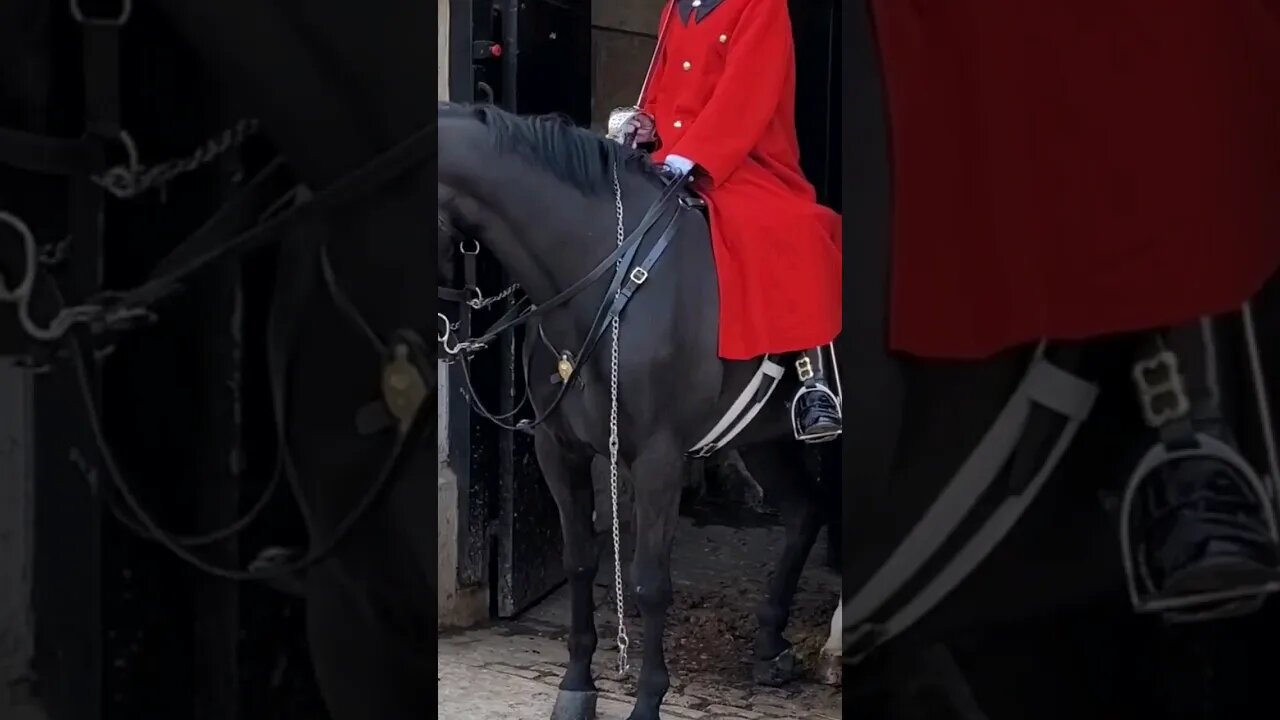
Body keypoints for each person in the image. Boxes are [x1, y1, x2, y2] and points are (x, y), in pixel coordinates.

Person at [610, 0, 843, 443]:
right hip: (668, 158)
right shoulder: (675, 8)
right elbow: (663, 89)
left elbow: (748, 93)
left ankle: (814, 381)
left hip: (744, 161)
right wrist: (646, 125)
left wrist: (690, 157)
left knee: (793, 228)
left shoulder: (761, 6)